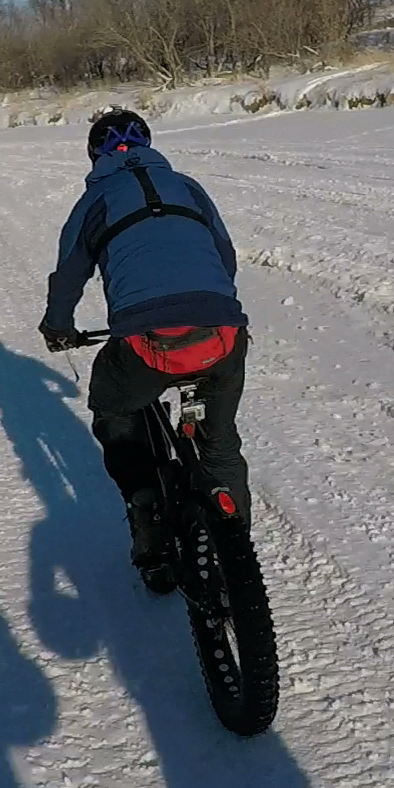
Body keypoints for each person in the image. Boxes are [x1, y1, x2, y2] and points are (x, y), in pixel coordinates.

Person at [40, 108, 251, 592]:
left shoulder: (95, 199)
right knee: (220, 444)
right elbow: (225, 256)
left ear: (94, 155)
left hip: (144, 337)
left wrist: (58, 328)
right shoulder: (189, 187)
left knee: (114, 405)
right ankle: (236, 551)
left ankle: (146, 512)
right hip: (222, 327)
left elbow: (69, 273)